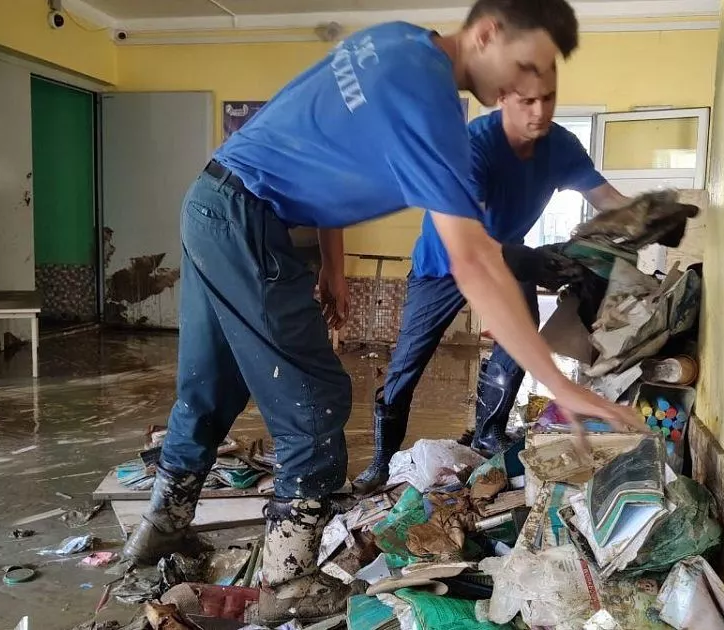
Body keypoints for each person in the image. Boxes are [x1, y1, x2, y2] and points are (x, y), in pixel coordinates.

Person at [121, 0, 644, 621]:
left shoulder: (396, 42)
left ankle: (160, 531)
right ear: (487, 33)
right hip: (247, 219)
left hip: (213, 201)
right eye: (523, 68)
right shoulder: (434, 109)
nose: (525, 91)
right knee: (314, 402)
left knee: (211, 385)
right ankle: (285, 588)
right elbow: (474, 263)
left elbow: (317, 148)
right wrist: (560, 383)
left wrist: (332, 266)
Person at [353, 67, 632, 494]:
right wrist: (531, 261)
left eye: (547, 99)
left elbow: (607, 199)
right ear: (501, 98)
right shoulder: (473, 147)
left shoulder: (561, 146)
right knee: (409, 361)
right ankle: (382, 460)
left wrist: (649, 215)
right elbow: (469, 242)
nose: (538, 112)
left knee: (520, 340)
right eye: (526, 101)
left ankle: (488, 432)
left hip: (507, 254)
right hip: (445, 262)